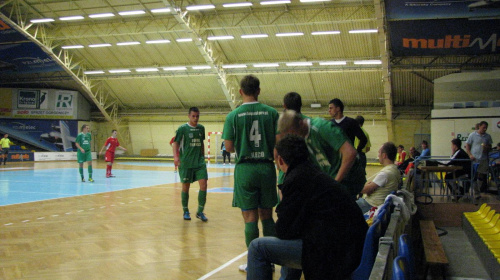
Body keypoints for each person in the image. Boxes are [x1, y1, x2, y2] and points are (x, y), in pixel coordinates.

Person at [247, 134, 368, 280]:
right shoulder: (313, 173)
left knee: (257, 248)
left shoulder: (296, 179)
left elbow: (283, 231)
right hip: (351, 246)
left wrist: (284, 206)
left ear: (280, 159)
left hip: (336, 253)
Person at [222, 75, 279, 272]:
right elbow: (279, 143)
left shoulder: (233, 116)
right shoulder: (271, 113)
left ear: (240, 92)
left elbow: (228, 147)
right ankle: (271, 261)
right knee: (267, 216)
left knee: (250, 218)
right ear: (259, 90)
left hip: (245, 169)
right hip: (266, 167)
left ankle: (254, 264)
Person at [278, 110, 365, 199]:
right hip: (332, 178)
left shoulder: (321, 127)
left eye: (293, 133)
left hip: (350, 177)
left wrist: (334, 184)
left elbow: (350, 153)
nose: (292, 138)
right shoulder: (302, 138)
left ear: (300, 123)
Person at [172, 107, 209, 222]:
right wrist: (176, 157)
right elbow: (175, 143)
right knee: (185, 188)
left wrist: (203, 156)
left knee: (204, 185)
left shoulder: (201, 128)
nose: (195, 118)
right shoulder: (182, 129)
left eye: (197, 116)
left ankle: (200, 211)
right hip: (186, 163)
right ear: (189, 116)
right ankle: (186, 211)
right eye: (193, 116)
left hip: (199, 163)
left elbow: (201, 143)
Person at [356, 142, 401, 214]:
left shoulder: (385, 173)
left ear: (384, 155)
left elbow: (364, 189)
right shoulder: (395, 170)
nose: (378, 155)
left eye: (379, 153)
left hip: (371, 204)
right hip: (376, 203)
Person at [277, 92, 309, 191]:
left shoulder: (282, 123)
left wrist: (279, 167)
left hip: (287, 170)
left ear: (284, 106)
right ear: (301, 105)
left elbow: (277, 151)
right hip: (307, 170)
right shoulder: (308, 122)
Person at [466, 121, 493, 196]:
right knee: (474, 174)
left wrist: (487, 147)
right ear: (479, 126)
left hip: (483, 158)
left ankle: (478, 189)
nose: (485, 129)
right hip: (474, 158)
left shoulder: (488, 136)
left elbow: (490, 147)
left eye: (486, 128)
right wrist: (470, 155)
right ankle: (476, 192)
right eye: (483, 127)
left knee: (481, 174)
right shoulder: (472, 135)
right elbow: (467, 145)